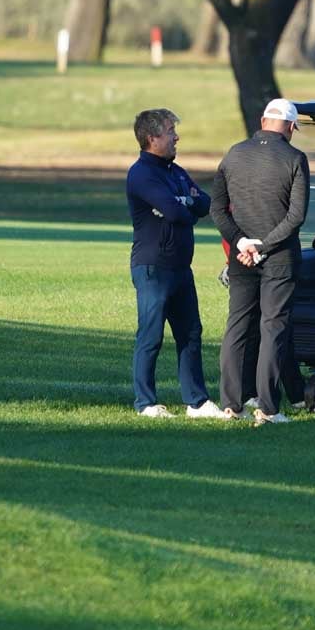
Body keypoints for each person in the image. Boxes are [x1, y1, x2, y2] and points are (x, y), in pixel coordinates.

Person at [211, 98, 310, 425]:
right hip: (279, 257)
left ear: (263, 120)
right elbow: (296, 217)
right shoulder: (295, 158)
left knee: (237, 325)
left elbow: (217, 209)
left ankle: (231, 403)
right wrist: (263, 246)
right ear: (292, 127)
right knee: (273, 327)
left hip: (241, 257)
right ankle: (267, 407)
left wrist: (242, 242)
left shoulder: (234, 154)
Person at [125, 108, 222, 419]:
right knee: (151, 335)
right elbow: (178, 212)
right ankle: (145, 403)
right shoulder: (142, 174)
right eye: (170, 131)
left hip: (181, 267)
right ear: (152, 137)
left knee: (191, 333)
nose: (176, 136)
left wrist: (184, 202)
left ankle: (197, 402)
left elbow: (205, 203)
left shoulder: (175, 172)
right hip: (154, 267)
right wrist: (183, 204)